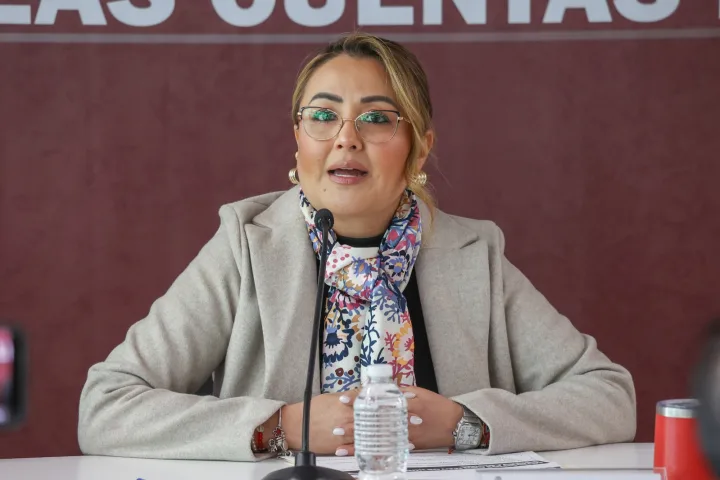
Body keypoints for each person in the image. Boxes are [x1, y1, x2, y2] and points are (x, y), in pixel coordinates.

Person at [77, 32, 636, 462]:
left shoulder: (473, 253)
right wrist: (282, 426)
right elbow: (106, 406)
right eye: (322, 116)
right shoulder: (246, 245)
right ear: (298, 140)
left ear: (419, 149)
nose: (346, 138)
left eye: (375, 118)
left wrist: (464, 423)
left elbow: (609, 396)